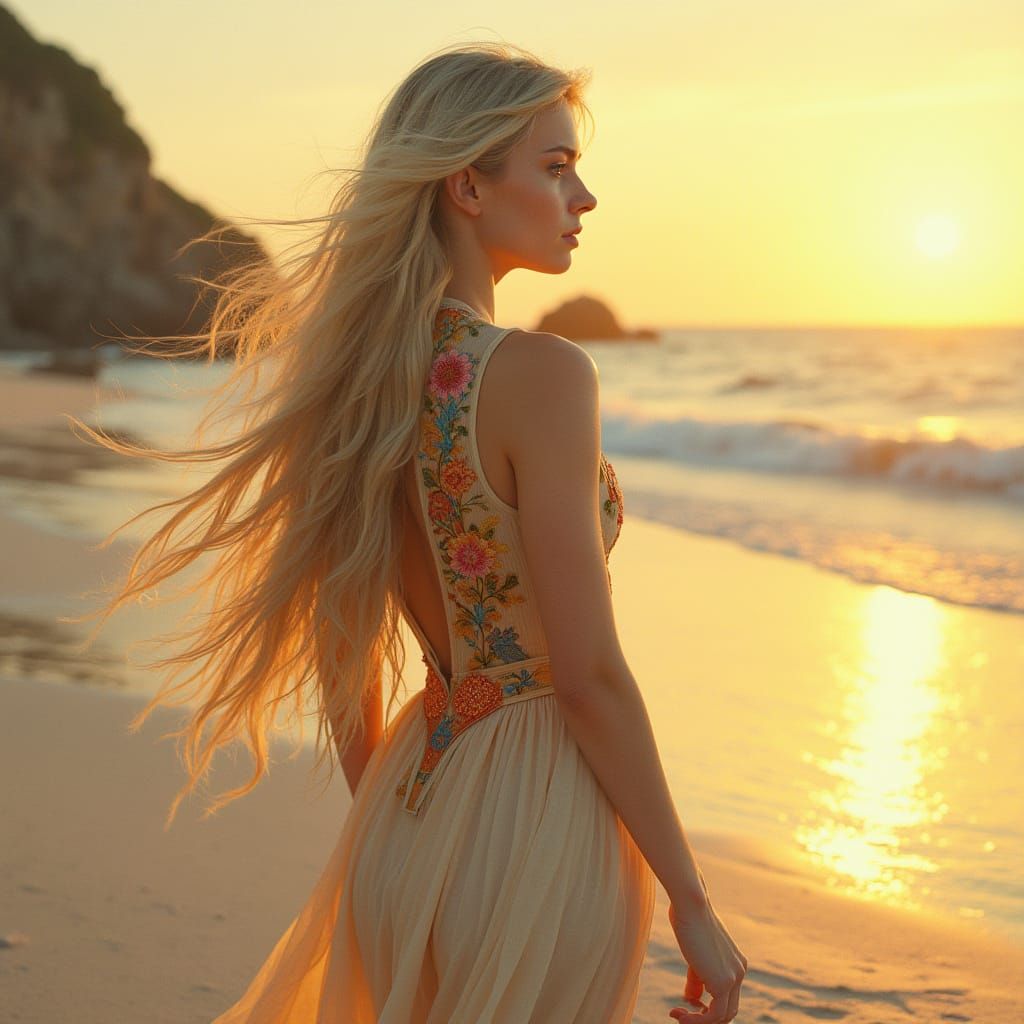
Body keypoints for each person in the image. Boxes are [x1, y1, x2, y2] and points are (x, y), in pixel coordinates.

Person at [70, 41, 746, 1022]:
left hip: (405, 811)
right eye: (555, 167)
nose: (584, 196)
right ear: (467, 186)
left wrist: (411, 833)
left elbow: (341, 656)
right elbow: (587, 676)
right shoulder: (545, 376)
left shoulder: (359, 385)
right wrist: (691, 900)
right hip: (534, 817)